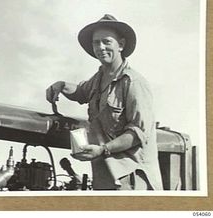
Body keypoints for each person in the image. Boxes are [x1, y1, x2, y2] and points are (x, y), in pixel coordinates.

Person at [46, 14, 163, 190]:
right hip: (105, 178)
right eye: (96, 42)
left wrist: (102, 150)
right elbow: (80, 91)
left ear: (121, 45)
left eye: (106, 42)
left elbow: (138, 133)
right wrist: (61, 85)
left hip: (131, 180)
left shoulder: (134, 83)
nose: (100, 47)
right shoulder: (99, 79)